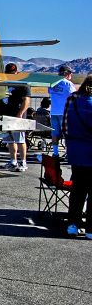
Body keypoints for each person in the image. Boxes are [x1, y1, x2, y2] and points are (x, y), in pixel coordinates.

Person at [62, 75, 92, 239]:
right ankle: (90, 229)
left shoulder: (74, 103)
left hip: (76, 152)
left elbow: (66, 126)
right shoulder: (90, 104)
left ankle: (73, 223)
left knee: (78, 190)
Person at [0, 63, 31, 172]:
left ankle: (23, 162)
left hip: (17, 115)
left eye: (12, 74)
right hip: (6, 114)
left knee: (20, 139)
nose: (11, 76)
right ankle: (13, 161)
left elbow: (26, 100)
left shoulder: (23, 84)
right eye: (9, 74)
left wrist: (20, 114)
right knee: (10, 140)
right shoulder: (5, 83)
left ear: (16, 72)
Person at [48, 65, 77, 157]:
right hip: (65, 113)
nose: (71, 74)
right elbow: (74, 97)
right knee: (67, 134)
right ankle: (69, 153)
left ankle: (55, 153)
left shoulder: (52, 83)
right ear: (67, 74)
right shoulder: (68, 84)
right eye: (70, 73)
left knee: (55, 134)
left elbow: (50, 92)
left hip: (53, 112)